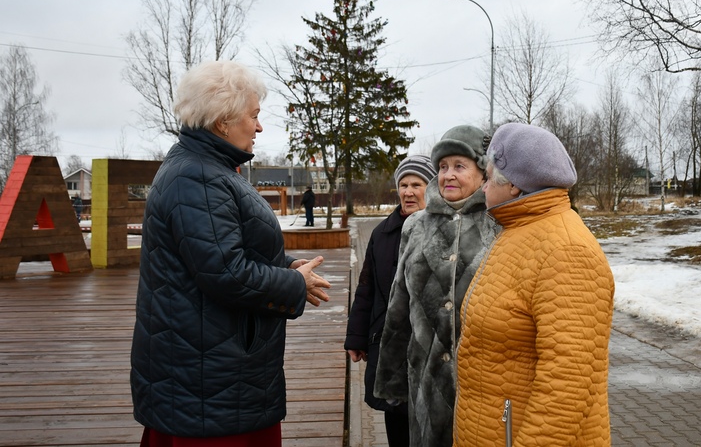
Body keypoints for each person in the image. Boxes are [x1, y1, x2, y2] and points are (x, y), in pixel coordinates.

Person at [130, 60, 331, 447]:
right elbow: (226, 273)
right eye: (253, 115)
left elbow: (220, 254)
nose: (259, 126)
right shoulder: (199, 177)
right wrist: (292, 283)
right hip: (211, 382)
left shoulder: (205, 169)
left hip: (208, 371)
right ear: (223, 120)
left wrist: (287, 267)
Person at [453, 122, 615, 447]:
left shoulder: (566, 250)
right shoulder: (519, 232)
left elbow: (567, 384)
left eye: (487, 177)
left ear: (513, 185)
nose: (482, 188)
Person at [374, 125, 499, 447]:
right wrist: (391, 379)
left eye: (459, 166)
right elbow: (398, 305)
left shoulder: (500, 222)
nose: (448, 175)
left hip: (485, 384)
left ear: (483, 171)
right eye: (443, 167)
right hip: (426, 383)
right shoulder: (416, 225)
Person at [345, 155, 437, 447]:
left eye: (417, 184)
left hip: (431, 349)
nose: (408, 191)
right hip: (390, 344)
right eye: (403, 184)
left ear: (431, 187)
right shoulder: (381, 234)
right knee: (396, 419)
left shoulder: (444, 231)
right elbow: (366, 288)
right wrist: (356, 338)